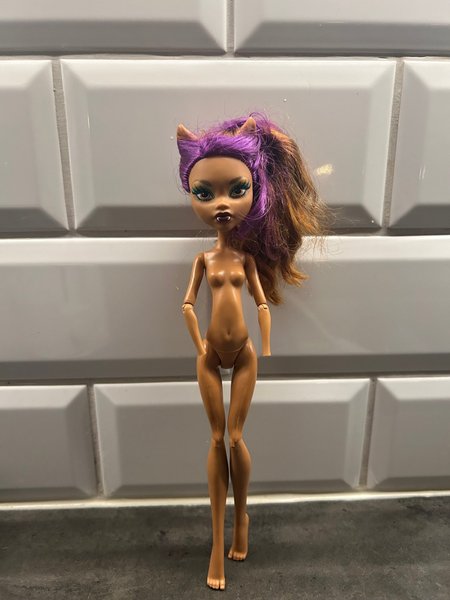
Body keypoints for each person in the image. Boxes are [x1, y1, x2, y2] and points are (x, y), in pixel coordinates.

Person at [176, 113, 329, 590]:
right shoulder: (203, 259)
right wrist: (198, 342)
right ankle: (216, 546)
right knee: (215, 438)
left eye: (236, 190)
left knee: (236, 437)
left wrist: (264, 344)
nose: (221, 203)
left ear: (255, 190)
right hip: (209, 355)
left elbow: (261, 303)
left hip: (243, 354)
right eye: (204, 193)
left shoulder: (245, 259)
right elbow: (186, 304)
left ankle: (241, 518)